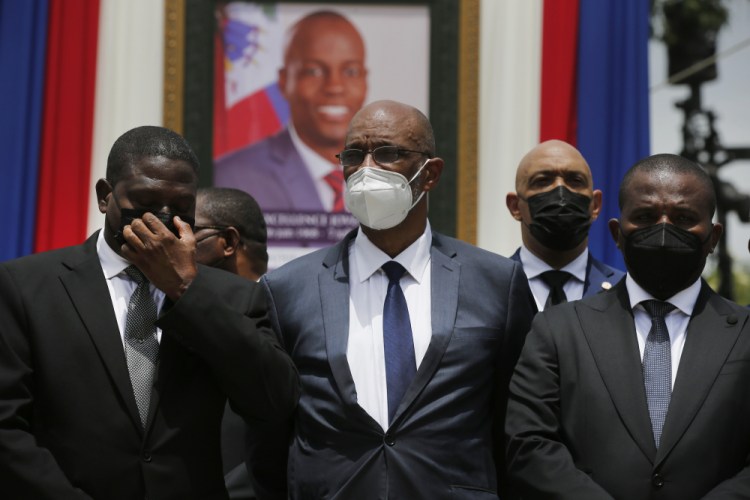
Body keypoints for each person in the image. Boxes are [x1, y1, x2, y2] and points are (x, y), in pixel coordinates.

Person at [254, 100, 536, 498]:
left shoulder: (496, 282)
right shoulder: (286, 289)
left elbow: (516, 425)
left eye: (388, 154)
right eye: (354, 155)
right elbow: (268, 436)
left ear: (430, 174)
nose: (367, 169)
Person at [0, 126, 299, 499]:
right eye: (145, 200)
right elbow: (7, 426)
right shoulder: (25, 286)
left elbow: (273, 403)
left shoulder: (233, 297)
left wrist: (187, 290)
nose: (161, 217)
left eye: (180, 207)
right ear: (105, 196)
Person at [505, 153, 750, 499]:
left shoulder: (745, 334)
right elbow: (529, 445)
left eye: (683, 218)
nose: (664, 230)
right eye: (646, 217)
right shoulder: (558, 330)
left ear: (712, 237)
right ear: (618, 234)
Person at [214, 10, 368, 213]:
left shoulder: (393, 171)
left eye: (351, 71)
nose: (335, 87)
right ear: (284, 81)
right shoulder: (233, 177)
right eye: (313, 71)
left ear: (365, 81)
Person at [194, 187, 268, 500]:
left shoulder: (286, 317)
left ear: (227, 242)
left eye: (189, 229)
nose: (173, 240)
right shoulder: (170, 315)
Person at [505, 139, 624, 310]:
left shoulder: (624, 294)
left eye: (575, 180)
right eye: (543, 181)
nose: (560, 190)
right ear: (515, 206)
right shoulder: (486, 288)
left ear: (595, 205)